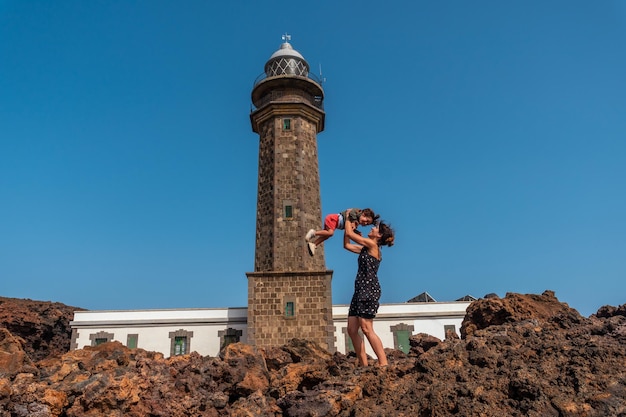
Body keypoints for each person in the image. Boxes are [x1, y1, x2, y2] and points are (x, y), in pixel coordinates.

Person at [343, 218, 395, 367]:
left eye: (376, 228)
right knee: (352, 329)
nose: (372, 228)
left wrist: (348, 219)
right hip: (359, 291)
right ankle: (364, 365)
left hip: (369, 290)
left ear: (379, 236)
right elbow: (346, 244)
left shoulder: (372, 245)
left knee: (366, 327)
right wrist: (349, 230)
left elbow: (350, 234)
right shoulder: (366, 248)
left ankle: (383, 363)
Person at [305, 208, 379, 256]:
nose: (365, 223)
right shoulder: (357, 212)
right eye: (366, 221)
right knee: (330, 233)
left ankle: (314, 244)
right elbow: (350, 212)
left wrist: (356, 232)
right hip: (333, 219)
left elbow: (349, 228)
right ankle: (314, 233)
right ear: (363, 214)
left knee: (327, 235)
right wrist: (353, 221)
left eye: (367, 224)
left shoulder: (356, 222)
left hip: (334, 223)